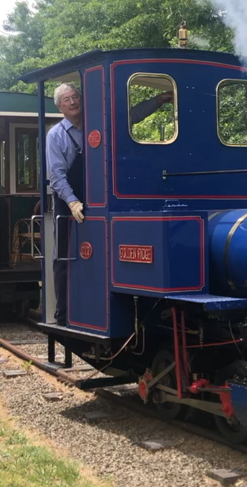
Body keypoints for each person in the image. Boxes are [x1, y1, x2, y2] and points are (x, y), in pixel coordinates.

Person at [47, 83, 170, 325]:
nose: (73, 102)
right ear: (60, 107)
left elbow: (130, 116)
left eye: (75, 97)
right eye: (67, 100)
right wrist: (73, 203)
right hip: (69, 202)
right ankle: (63, 313)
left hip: (99, 196)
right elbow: (57, 176)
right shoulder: (56, 135)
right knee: (64, 256)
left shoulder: (97, 121)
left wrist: (158, 100)